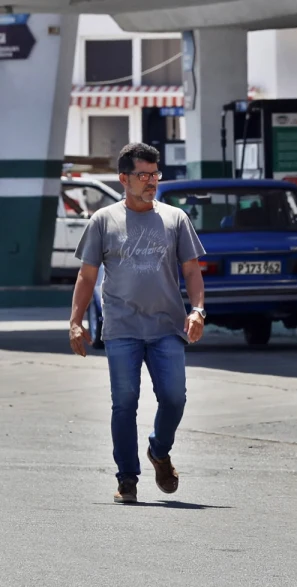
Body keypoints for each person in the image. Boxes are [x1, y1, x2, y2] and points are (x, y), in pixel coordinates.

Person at [67, 142, 207, 504]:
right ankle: (127, 478)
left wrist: (198, 310)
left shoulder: (175, 219)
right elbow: (87, 275)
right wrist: (76, 321)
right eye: (143, 175)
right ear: (123, 179)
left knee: (174, 398)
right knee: (124, 402)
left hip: (166, 327)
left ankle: (159, 451)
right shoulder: (104, 220)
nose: (151, 182)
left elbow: (192, 270)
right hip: (122, 328)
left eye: (155, 175)